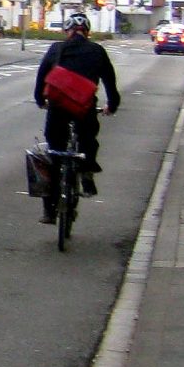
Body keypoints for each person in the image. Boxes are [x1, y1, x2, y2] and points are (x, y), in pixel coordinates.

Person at [33, 12, 120, 224]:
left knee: (54, 151)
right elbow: (110, 80)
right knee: (88, 139)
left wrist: (40, 100)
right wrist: (112, 105)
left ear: (68, 31)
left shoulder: (56, 49)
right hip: (84, 107)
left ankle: (49, 210)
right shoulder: (98, 51)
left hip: (58, 108)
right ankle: (87, 171)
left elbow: (42, 76)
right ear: (87, 32)